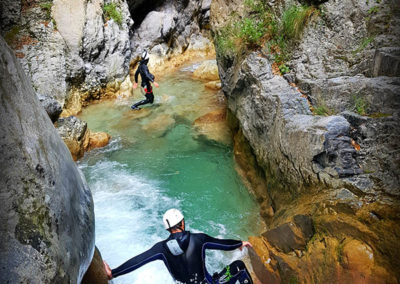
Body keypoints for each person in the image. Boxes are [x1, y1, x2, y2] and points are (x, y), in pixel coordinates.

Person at [103, 209, 254, 284]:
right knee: (239, 265)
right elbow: (222, 244)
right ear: (182, 223)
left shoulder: (160, 248)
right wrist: (240, 243)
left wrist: (113, 273)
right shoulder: (199, 239)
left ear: (168, 229)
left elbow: (138, 261)